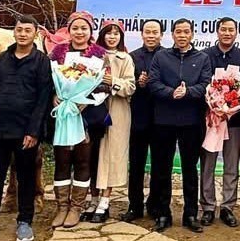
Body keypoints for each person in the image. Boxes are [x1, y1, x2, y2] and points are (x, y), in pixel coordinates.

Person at [0, 15, 52, 241]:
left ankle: (24, 221)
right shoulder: (4, 57)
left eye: (27, 30)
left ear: (35, 34)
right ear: (14, 32)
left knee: (26, 178)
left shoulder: (41, 61)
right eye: (19, 30)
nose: (22, 34)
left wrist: (34, 132)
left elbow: (43, 99)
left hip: (25, 131)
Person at [147, 18, 212, 233]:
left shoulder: (202, 58)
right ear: (172, 34)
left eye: (186, 32)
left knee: (190, 169)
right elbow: (153, 82)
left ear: (192, 34)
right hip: (163, 120)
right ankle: (163, 213)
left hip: (191, 121)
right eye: (178, 32)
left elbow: (206, 84)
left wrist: (188, 92)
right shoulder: (161, 56)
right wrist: (170, 93)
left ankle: (190, 214)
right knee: (161, 168)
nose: (182, 35)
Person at [48, 12, 106, 229]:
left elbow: (104, 84)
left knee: (83, 161)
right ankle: (62, 206)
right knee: (62, 161)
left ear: (90, 31)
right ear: (69, 30)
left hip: (86, 116)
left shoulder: (99, 53)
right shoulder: (58, 52)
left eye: (84, 28)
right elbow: (48, 78)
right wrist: (54, 95)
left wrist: (86, 100)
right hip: (64, 114)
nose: (79, 32)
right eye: (75, 28)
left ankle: (76, 207)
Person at [200, 17, 240, 228]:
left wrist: (233, 106)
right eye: (224, 29)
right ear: (217, 31)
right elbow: (203, 83)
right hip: (211, 120)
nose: (227, 33)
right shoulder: (205, 55)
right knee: (208, 164)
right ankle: (208, 206)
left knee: (231, 164)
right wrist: (214, 104)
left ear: (236, 33)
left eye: (231, 30)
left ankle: (228, 207)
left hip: (234, 120)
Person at [91, 20, 137, 223]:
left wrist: (114, 83)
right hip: (92, 109)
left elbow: (131, 86)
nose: (112, 37)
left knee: (112, 154)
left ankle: (105, 201)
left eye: (116, 33)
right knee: (92, 155)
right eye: (108, 33)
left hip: (117, 111)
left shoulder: (125, 58)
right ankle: (93, 198)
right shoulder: (93, 56)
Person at [121, 19, 162, 222]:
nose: (151, 36)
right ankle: (134, 205)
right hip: (138, 116)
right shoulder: (132, 57)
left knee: (159, 165)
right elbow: (127, 83)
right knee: (136, 164)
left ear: (161, 35)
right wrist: (139, 82)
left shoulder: (167, 56)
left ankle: (155, 204)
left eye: (155, 32)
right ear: (141, 34)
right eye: (148, 32)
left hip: (162, 119)